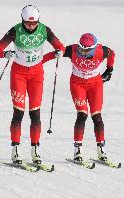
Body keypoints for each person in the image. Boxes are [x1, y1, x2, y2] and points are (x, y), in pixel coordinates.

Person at [0, 5, 65, 164]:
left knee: (35, 114)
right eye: (27, 23)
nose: (31, 26)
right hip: (18, 74)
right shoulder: (15, 30)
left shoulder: (45, 30)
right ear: (22, 21)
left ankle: (35, 150)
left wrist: (59, 51)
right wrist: (5, 53)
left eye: (34, 23)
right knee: (18, 113)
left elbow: (60, 47)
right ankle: (15, 151)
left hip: (36, 75)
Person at [42, 33, 115, 162]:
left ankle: (101, 151)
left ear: (93, 48)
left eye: (86, 50)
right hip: (78, 84)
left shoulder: (102, 51)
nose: (83, 52)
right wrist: (39, 62)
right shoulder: (73, 49)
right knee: (82, 115)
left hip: (95, 85)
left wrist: (109, 70)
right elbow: (55, 53)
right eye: (81, 48)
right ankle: (77, 151)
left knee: (97, 116)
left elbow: (112, 54)